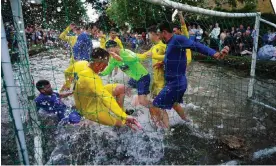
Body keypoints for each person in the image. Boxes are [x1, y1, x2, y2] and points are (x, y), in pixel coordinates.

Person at [150, 21, 229, 128]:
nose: (158, 37)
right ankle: (187, 122)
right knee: (173, 104)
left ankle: (164, 133)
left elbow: (196, 45)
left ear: (164, 32)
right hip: (176, 83)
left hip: (175, 84)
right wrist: (163, 62)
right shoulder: (170, 43)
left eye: (159, 34)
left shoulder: (177, 39)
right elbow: (174, 56)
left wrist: (214, 54)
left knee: (155, 105)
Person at [73, 48, 141, 130]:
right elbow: (106, 97)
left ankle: (121, 113)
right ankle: (122, 120)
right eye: (105, 65)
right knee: (123, 125)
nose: (106, 67)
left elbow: (67, 71)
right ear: (98, 64)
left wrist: (66, 86)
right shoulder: (91, 78)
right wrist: (124, 116)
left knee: (122, 88)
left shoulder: (81, 64)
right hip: (90, 110)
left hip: (93, 96)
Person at [137, 25, 166, 97]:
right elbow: (143, 56)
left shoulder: (163, 45)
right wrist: (127, 55)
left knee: (161, 104)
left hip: (163, 81)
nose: (148, 36)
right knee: (153, 100)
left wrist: (162, 62)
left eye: (148, 34)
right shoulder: (154, 47)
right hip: (155, 80)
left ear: (153, 34)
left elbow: (172, 57)